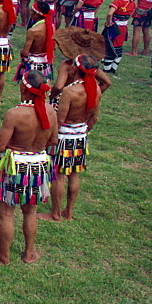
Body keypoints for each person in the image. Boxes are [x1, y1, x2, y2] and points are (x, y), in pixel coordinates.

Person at [0, 71, 58, 265]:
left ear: (24, 88)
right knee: (30, 211)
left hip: (14, 167)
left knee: (7, 213)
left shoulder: (15, 114)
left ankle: (3, 256)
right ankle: (28, 253)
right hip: (39, 165)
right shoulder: (50, 111)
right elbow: (54, 140)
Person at [41, 55, 103, 221]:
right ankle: (69, 212)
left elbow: (59, 120)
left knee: (59, 175)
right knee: (74, 173)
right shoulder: (96, 89)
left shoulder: (70, 91)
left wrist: (49, 139)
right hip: (80, 135)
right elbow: (94, 118)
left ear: (75, 69)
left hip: (64, 136)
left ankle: (55, 213)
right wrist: (81, 131)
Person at [16, 0, 56, 83]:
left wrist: (21, 52)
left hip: (33, 63)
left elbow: (25, 52)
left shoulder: (33, 31)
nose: (30, 13)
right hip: (45, 62)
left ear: (37, 14)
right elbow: (53, 46)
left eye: (31, 11)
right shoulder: (51, 26)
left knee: (27, 91)